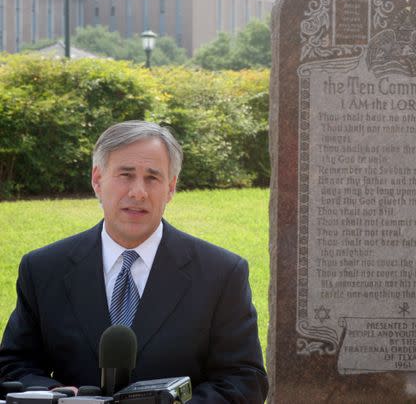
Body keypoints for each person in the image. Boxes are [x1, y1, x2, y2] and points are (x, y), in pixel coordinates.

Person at [0, 121, 268, 403]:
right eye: (125, 175)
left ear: (171, 188)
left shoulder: (221, 274)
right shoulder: (43, 269)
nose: (138, 191)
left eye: (152, 178)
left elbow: (244, 380)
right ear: (97, 180)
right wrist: (58, 396)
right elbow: (13, 367)